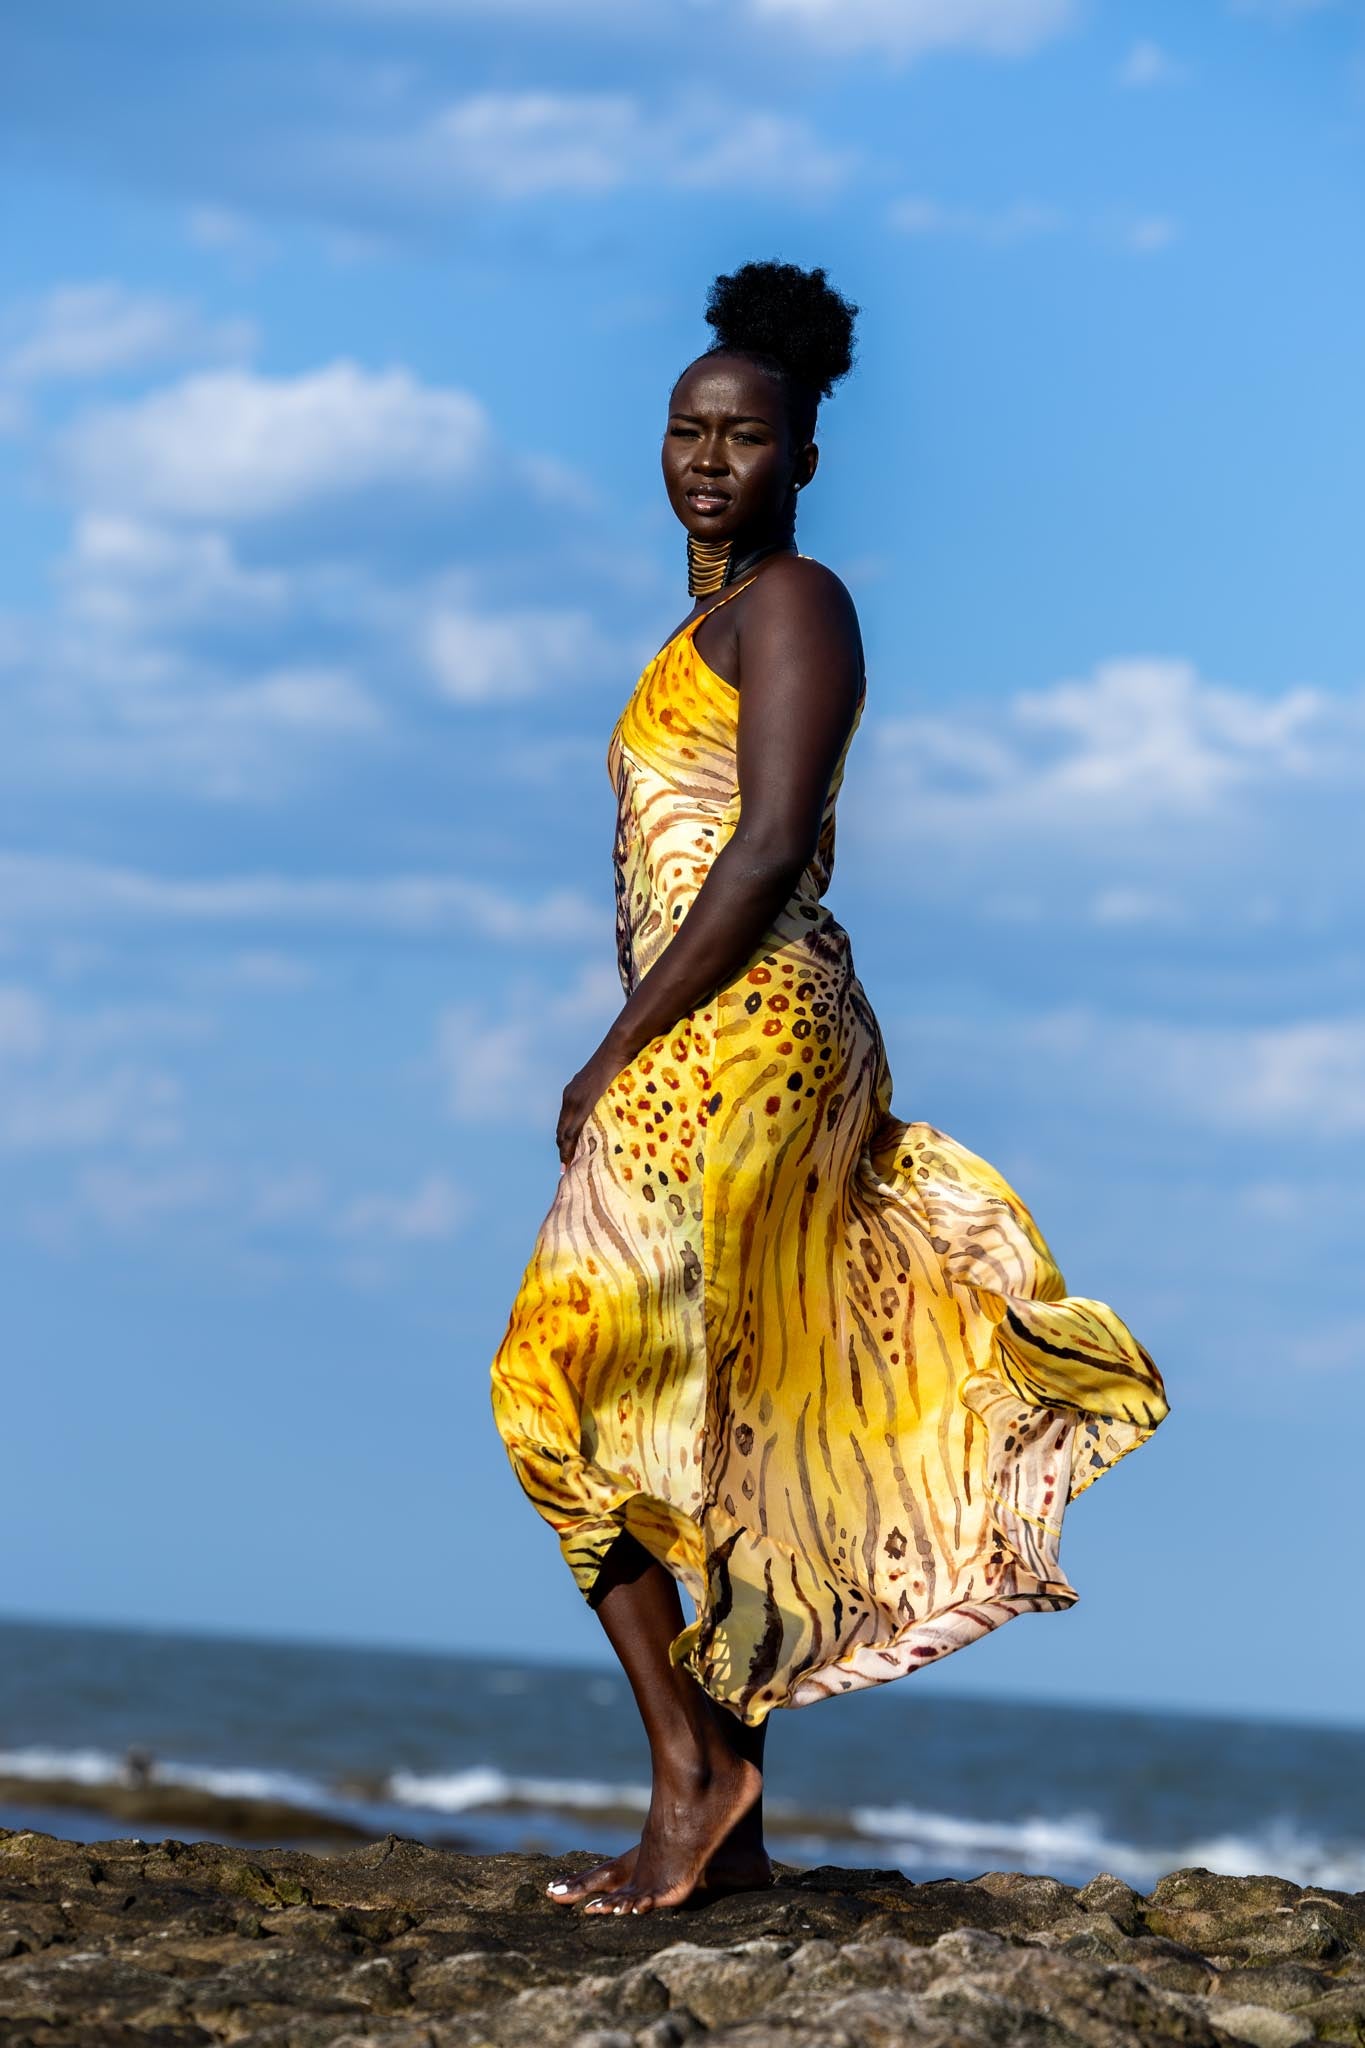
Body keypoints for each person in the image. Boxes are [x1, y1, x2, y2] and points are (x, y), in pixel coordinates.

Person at [489, 259, 1169, 1917]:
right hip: (706, 1034)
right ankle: (720, 1824)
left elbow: (770, 843)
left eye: (744, 435)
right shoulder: (703, 625)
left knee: (552, 1384)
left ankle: (696, 1778)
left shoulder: (795, 606)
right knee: (692, 1422)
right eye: (684, 431)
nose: (708, 460)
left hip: (743, 1035)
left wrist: (611, 1043)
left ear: (803, 456)